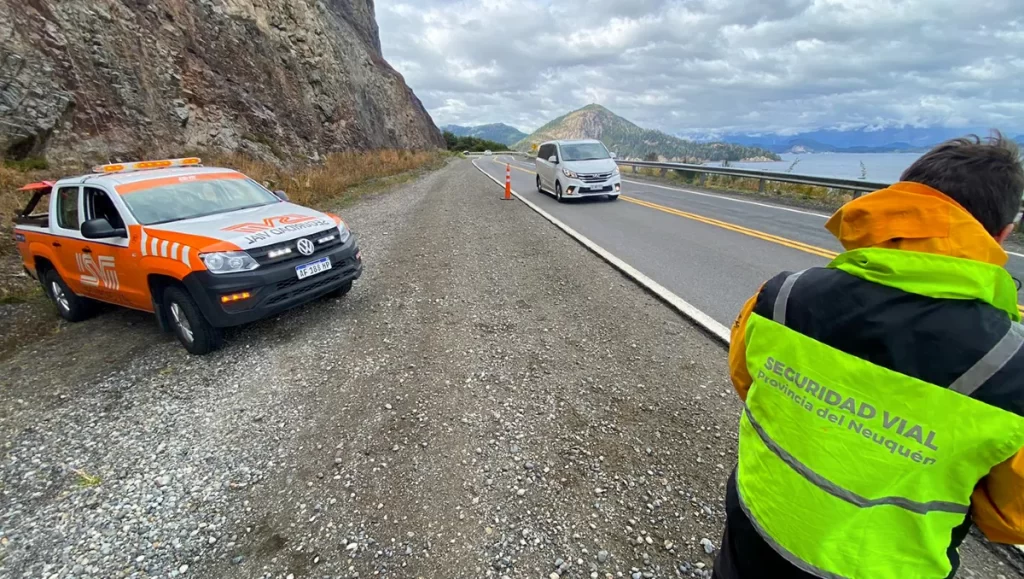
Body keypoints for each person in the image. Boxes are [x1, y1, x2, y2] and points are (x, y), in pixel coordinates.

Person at [715, 132, 1024, 579]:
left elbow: (746, 382)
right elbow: (1009, 518)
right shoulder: (1010, 367)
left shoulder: (783, 296)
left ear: (899, 204)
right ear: (1002, 235)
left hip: (752, 531)